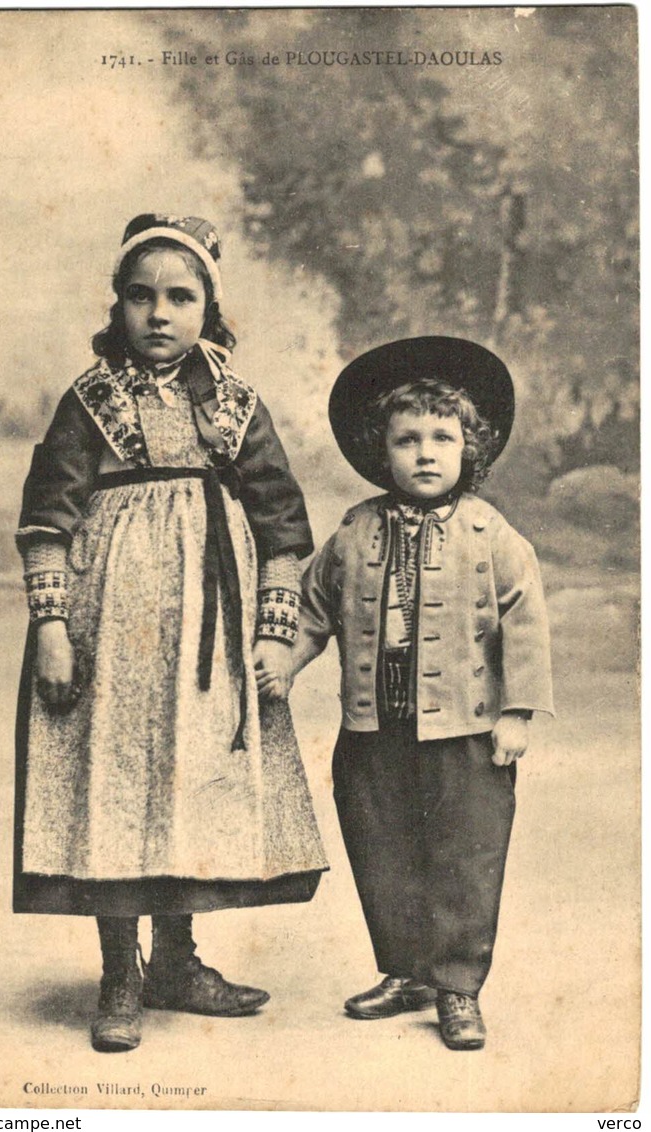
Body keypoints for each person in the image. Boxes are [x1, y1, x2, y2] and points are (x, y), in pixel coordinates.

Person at [14, 213, 327, 1053]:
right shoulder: (90, 400)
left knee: (189, 778)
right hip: (107, 617)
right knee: (116, 780)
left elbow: (281, 525)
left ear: (208, 307)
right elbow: (47, 517)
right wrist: (51, 625)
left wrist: (273, 633)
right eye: (140, 296)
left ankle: (177, 962)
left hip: (209, 626)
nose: (159, 314)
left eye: (180, 297)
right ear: (116, 306)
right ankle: (121, 971)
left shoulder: (236, 401)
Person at [260, 337, 553, 1051]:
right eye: (407, 439)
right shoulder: (355, 530)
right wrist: (285, 660)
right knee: (380, 848)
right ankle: (402, 970)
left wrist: (516, 712)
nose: (425, 453)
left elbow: (525, 623)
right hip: (372, 729)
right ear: (379, 451)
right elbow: (315, 610)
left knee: (464, 855)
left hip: (466, 733)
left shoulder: (493, 534)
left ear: (469, 448)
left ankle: (455, 986)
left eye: (442, 438)